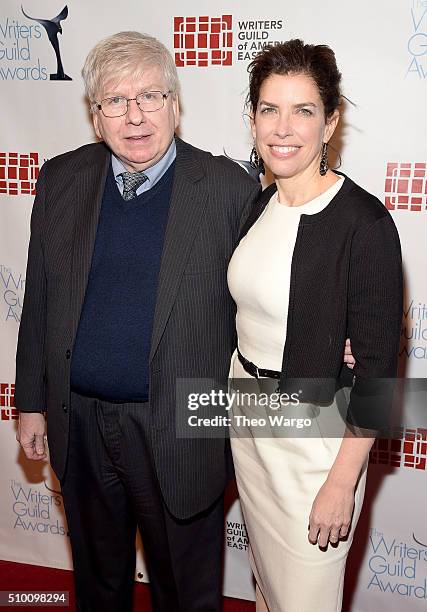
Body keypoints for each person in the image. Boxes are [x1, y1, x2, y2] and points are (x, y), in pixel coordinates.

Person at [14, 31, 262, 612]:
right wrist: (31, 401)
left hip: (179, 424)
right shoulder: (59, 180)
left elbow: (269, 293)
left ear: (176, 104)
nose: (135, 116)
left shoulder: (229, 189)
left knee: (186, 592)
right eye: (115, 102)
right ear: (95, 117)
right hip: (81, 420)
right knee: (99, 586)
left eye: (151, 96)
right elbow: (40, 299)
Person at [227, 40, 403, 612]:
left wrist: (340, 483)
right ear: (251, 119)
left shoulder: (364, 223)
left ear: (330, 123)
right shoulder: (260, 205)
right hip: (247, 422)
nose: (283, 128)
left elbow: (376, 378)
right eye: (269, 109)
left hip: (313, 448)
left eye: (303, 111)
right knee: (266, 589)